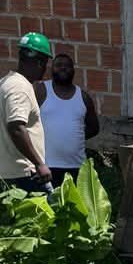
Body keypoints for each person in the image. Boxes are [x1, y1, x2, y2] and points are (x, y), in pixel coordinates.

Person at [0, 32, 54, 195]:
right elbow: (16, 127)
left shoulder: (5, 82)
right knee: (43, 211)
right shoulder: (19, 88)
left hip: (9, 170)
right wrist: (39, 164)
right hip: (24, 173)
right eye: (46, 63)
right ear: (40, 62)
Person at [35, 50, 100, 184]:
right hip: (47, 166)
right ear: (52, 69)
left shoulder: (83, 97)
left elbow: (94, 128)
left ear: (73, 71)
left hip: (77, 166)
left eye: (67, 66)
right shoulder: (41, 91)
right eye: (58, 65)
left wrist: (73, 137)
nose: (63, 68)